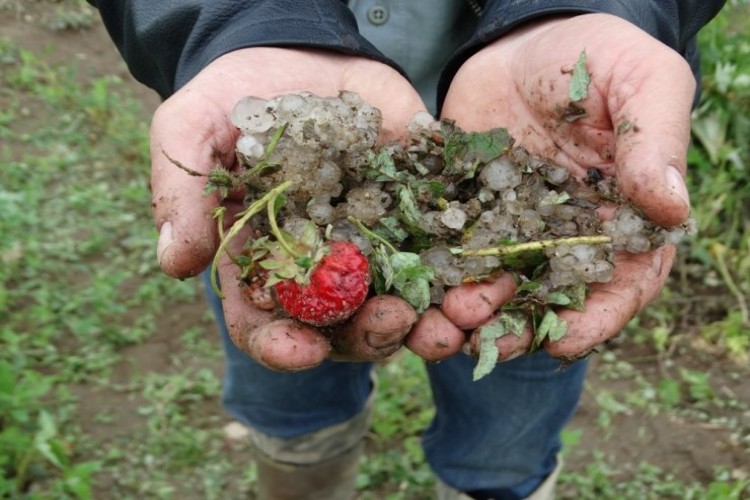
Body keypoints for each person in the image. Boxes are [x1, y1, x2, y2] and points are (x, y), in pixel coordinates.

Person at [89, 1, 726, 498]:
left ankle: (495, 483)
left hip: (539, 122)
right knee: (288, 397)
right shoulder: (280, 232)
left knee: (511, 407)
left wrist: (583, 10)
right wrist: (239, 25)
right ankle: (301, 476)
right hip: (275, 162)